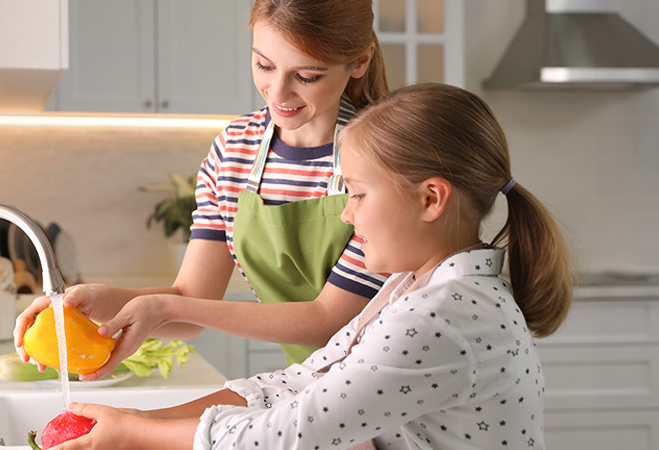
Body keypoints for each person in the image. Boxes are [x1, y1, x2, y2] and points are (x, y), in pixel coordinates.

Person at [46, 83, 575, 450]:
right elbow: (302, 382)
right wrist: (133, 423)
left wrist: (133, 435)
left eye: (360, 194)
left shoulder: (444, 316)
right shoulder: (411, 288)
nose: (347, 213)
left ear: (432, 199)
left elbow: (284, 435)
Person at [15, 0, 390, 380]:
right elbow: (191, 303)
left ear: (359, 62)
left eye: (307, 76)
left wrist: (162, 308)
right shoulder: (234, 150)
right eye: (263, 65)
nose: (278, 92)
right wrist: (96, 302)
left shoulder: (382, 157)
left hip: (397, 387)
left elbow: (328, 322)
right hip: (317, 386)